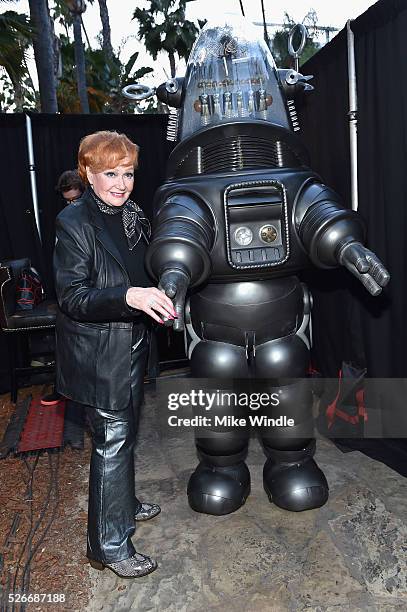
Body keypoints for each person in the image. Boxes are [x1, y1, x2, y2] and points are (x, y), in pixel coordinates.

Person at [53, 130, 176, 578]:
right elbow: (73, 297)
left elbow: (143, 263)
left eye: (127, 173)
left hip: (133, 344)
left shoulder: (132, 213)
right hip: (101, 352)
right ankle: (108, 546)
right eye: (110, 174)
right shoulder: (74, 223)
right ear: (87, 172)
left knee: (126, 433)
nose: (121, 184)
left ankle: (121, 503)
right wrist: (130, 296)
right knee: (113, 441)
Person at [41, 170, 86, 407]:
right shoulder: (65, 217)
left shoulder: (91, 215)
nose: (71, 204)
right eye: (67, 200)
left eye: (75, 199)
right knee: (64, 338)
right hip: (68, 288)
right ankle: (64, 388)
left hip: (90, 289)